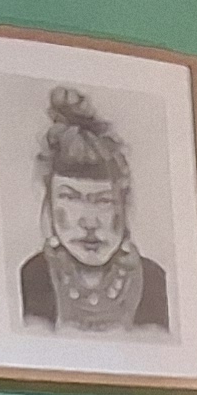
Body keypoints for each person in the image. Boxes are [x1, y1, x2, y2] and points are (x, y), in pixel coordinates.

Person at [15, 86, 171, 334]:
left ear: (124, 204)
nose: (89, 221)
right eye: (70, 198)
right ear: (50, 202)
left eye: (103, 201)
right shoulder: (35, 275)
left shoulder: (152, 279)